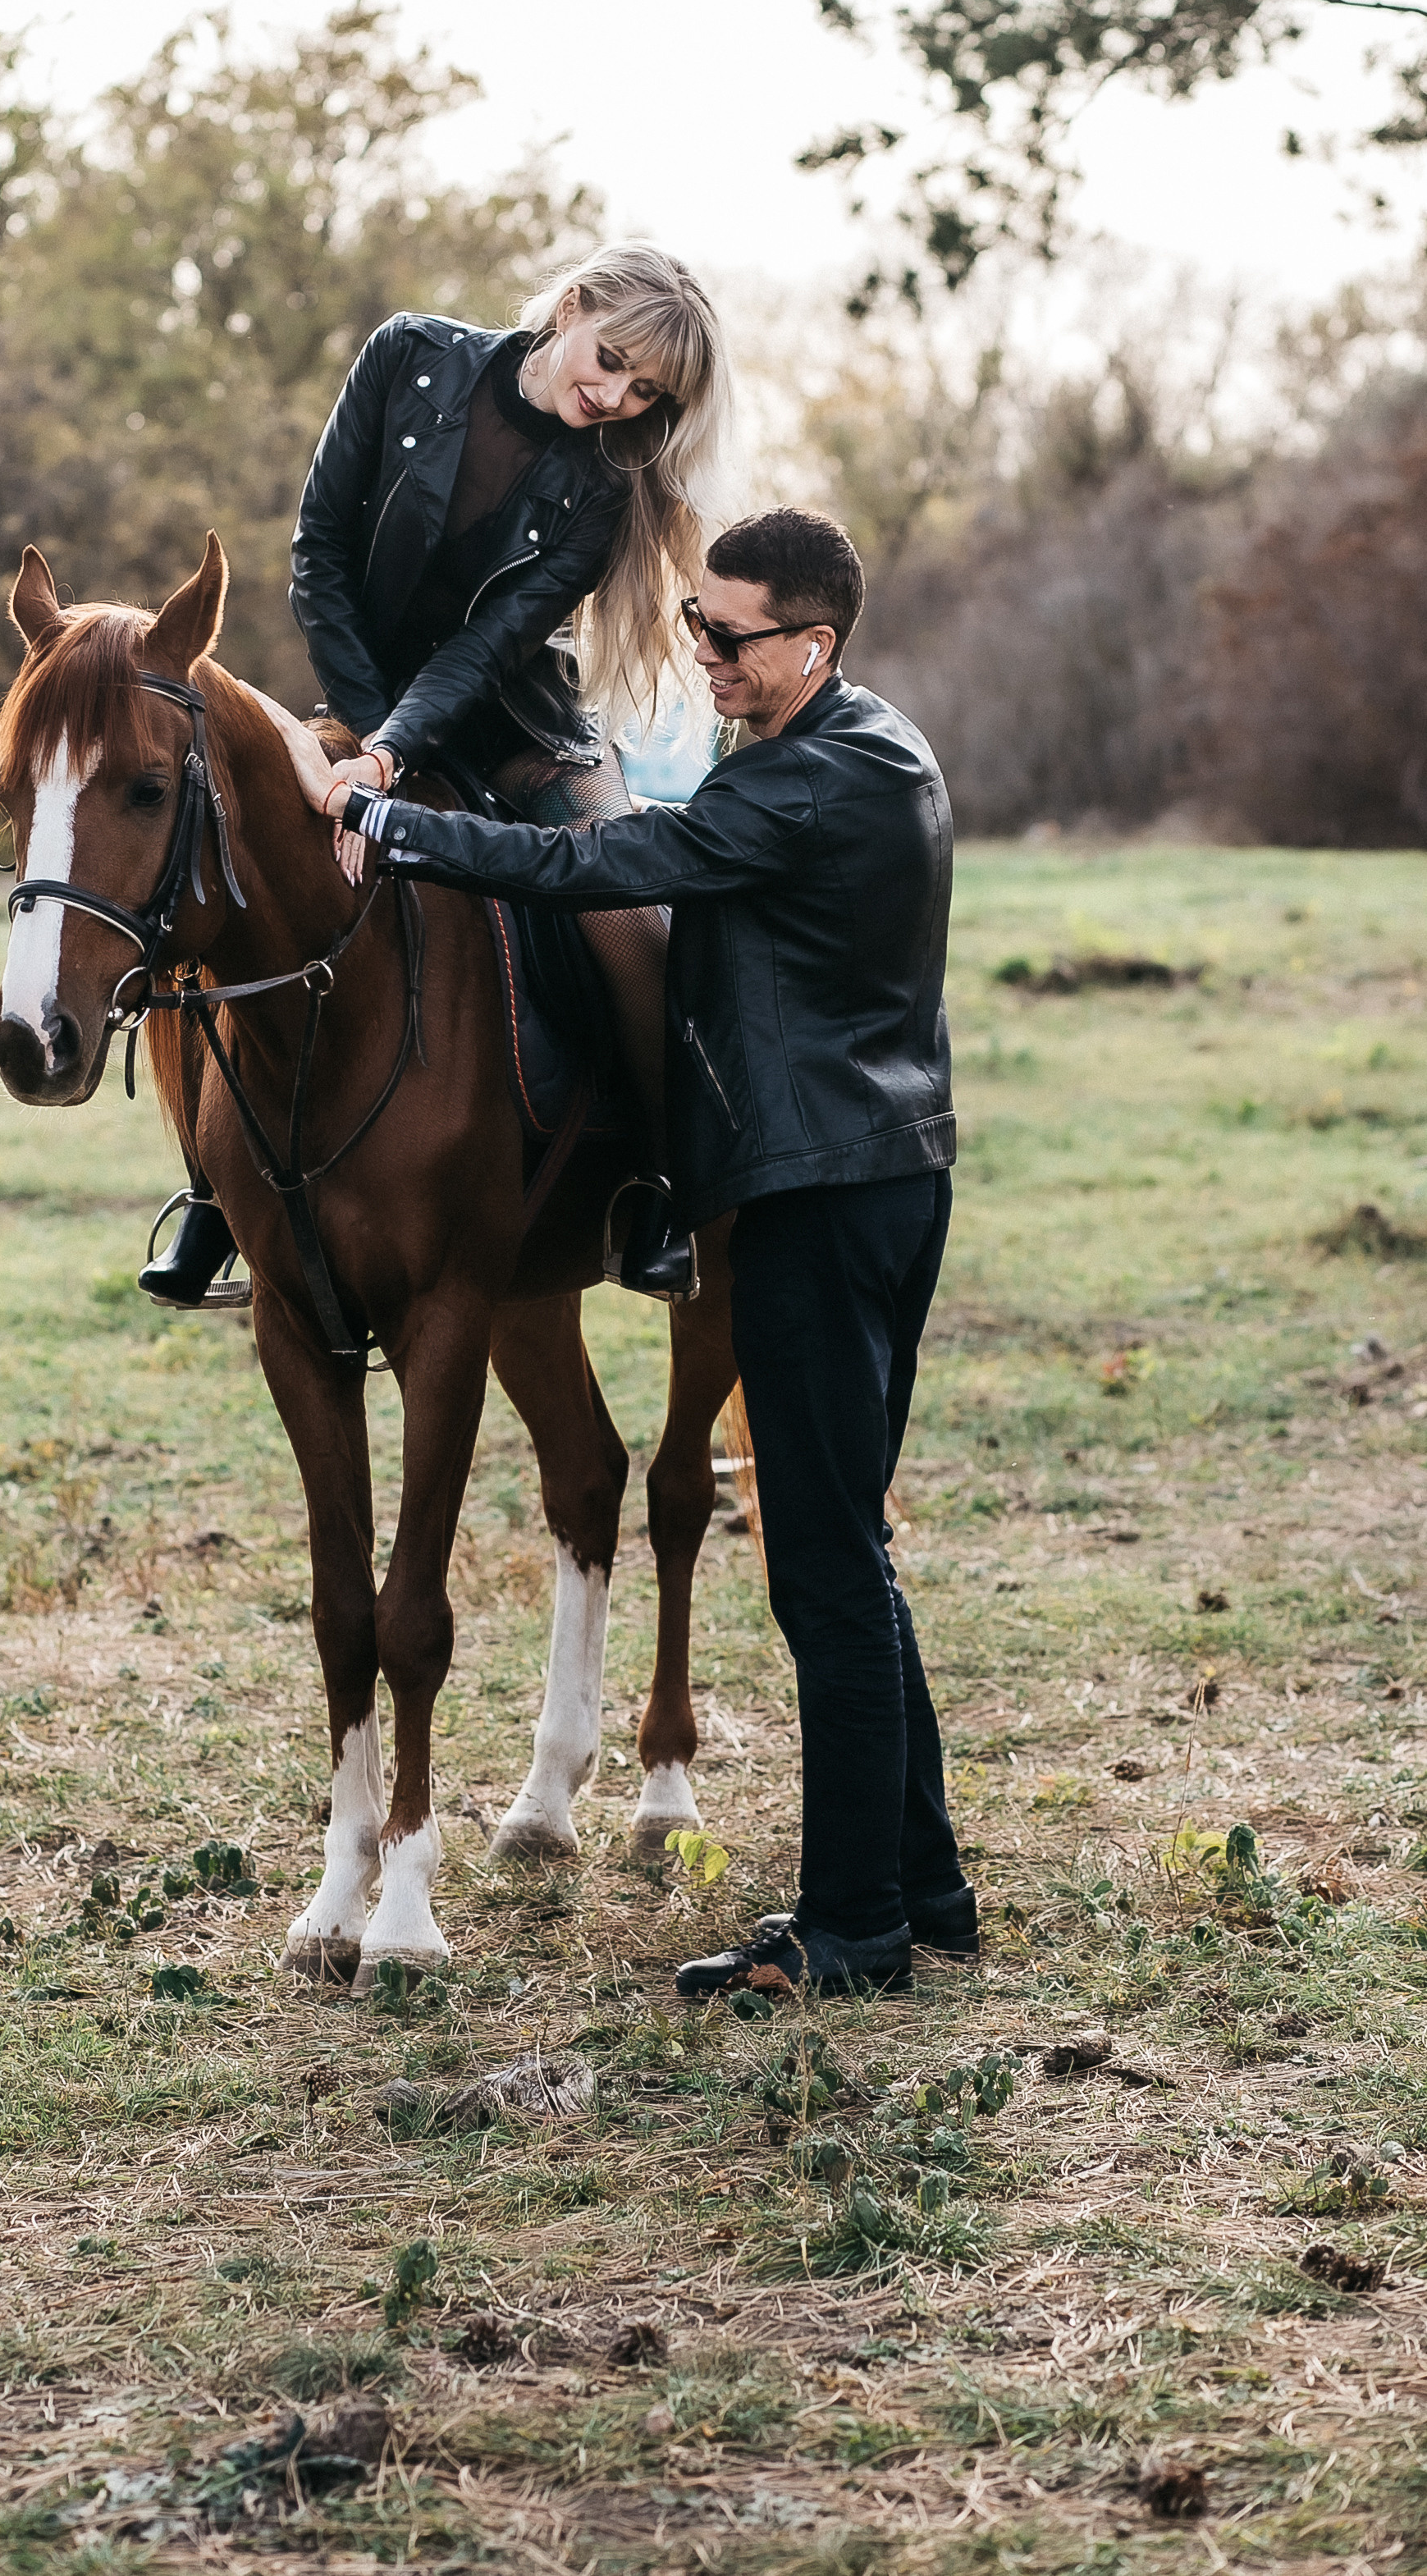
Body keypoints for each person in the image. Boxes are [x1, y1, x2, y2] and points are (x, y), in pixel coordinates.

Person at [260, 506, 976, 1997]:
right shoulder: (865, 742)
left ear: (813, 645)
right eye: (693, 627)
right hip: (878, 1182)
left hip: (815, 1201)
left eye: (728, 636)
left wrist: (393, 822)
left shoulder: (813, 780)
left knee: (825, 1578)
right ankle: (925, 1887)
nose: (700, 654)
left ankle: (849, 1931)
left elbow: (619, 860)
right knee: (852, 1546)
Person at [142, 240, 734, 1309]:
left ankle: (655, 1183)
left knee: (631, 918)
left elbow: (486, 649)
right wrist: (371, 740)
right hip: (359, 698)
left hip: (516, 719)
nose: (615, 397)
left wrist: (394, 753)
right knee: (212, 880)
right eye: (611, 362)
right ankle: (213, 1196)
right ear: (572, 306)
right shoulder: (407, 355)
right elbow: (319, 549)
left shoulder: (605, 483)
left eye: (646, 392)